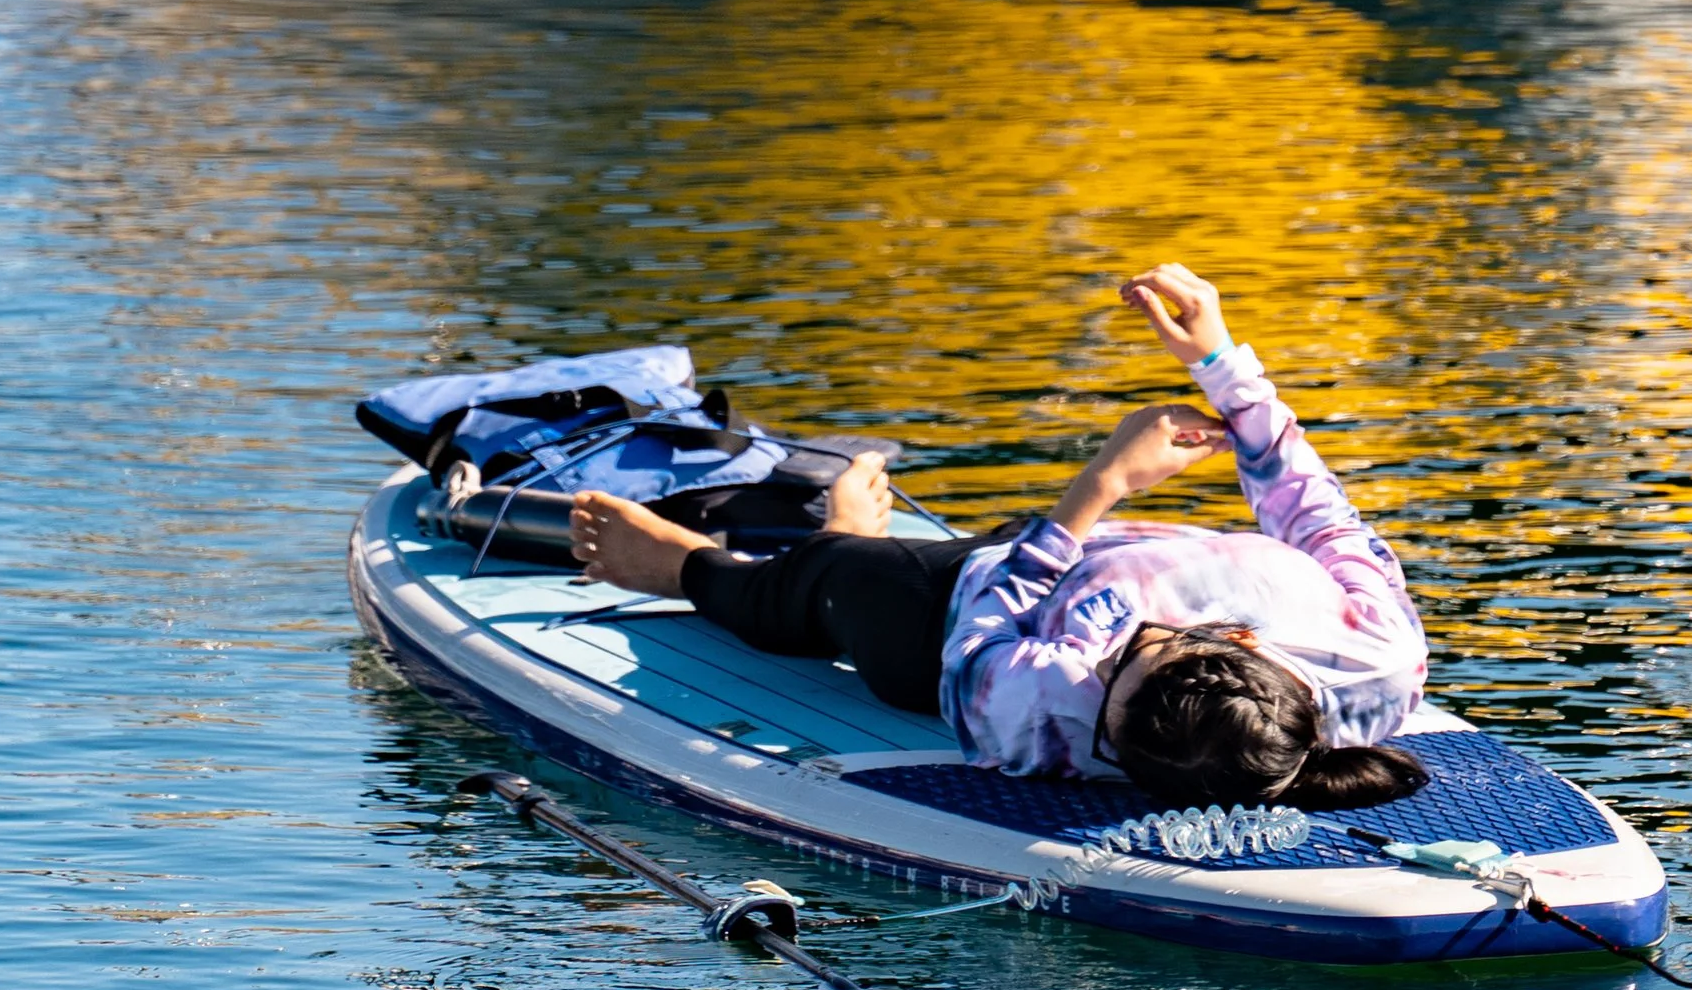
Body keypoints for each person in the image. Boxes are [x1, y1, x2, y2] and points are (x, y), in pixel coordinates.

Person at [568, 263, 1430, 812]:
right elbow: (1315, 511)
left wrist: (1101, 485)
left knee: (836, 577)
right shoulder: (1380, 657)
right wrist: (1223, 368)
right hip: (1089, 550)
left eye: (1107, 688)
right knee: (1018, 541)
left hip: (954, 614)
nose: (1104, 665)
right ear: (1242, 639)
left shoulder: (1046, 712)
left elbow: (979, 635)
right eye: (1129, 657)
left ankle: (690, 566)